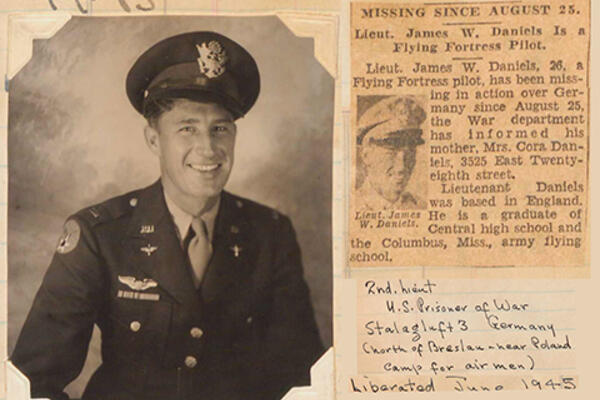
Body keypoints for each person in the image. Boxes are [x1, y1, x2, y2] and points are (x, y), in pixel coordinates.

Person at [11, 31, 324, 400]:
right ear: (154, 140)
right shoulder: (98, 234)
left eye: (220, 129)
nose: (207, 149)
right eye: (187, 128)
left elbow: (303, 378)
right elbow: (31, 383)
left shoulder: (270, 234)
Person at [355, 95, 427, 210]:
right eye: (391, 151)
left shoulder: (420, 206)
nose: (402, 167)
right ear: (366, 155)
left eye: (411, 151)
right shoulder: (353, 206)